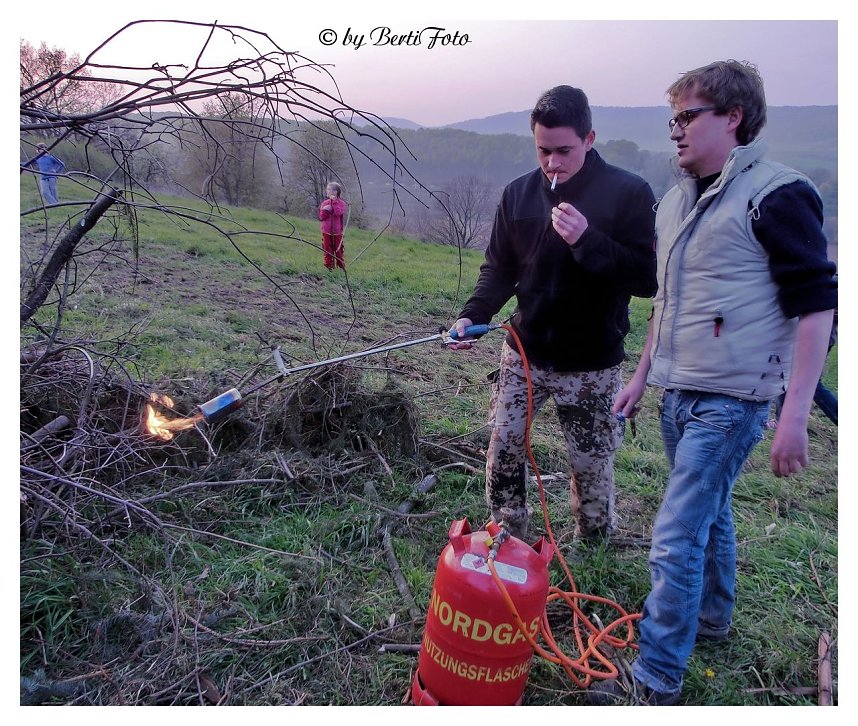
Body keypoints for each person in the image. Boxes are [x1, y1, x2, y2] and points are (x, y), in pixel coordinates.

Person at [591, 60, 837, 706]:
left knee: (674, 535)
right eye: (672, 118)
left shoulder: (777, 195)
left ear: (733, 118)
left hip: (735, 400)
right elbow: (667, 303)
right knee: (709, 511)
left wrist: (795, 414)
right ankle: (712, 618)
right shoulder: (674, 202)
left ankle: (656, 679)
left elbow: (816, 305)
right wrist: (641, 377)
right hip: (680, 392)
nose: (675, 131)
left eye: (688, 117)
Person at [449, 85, 657, 543]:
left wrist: (588, 241)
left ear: (590, 138)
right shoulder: (519, 195)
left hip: (591, 362)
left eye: (564, 150)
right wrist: (473, 315)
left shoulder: (629, 193)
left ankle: (592, 541)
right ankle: (509, 536)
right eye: (543, 151)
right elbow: (499, 269)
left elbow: (646, 279)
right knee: (503, 446)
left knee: (590, 459)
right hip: (524, 353)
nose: (553, 164)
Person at [318, 181, 347, 269]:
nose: (329, 191)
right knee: (327, 251)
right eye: (328, 189)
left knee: (338, 251)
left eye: (332, 190)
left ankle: (341, 269)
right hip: (326, 231)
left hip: (337, 232)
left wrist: (334, 202)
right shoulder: (325, 203)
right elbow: (321, 217)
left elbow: (338, 213)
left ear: (337, 192)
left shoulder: (342, 203)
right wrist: (325, 211)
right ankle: (329, 268)